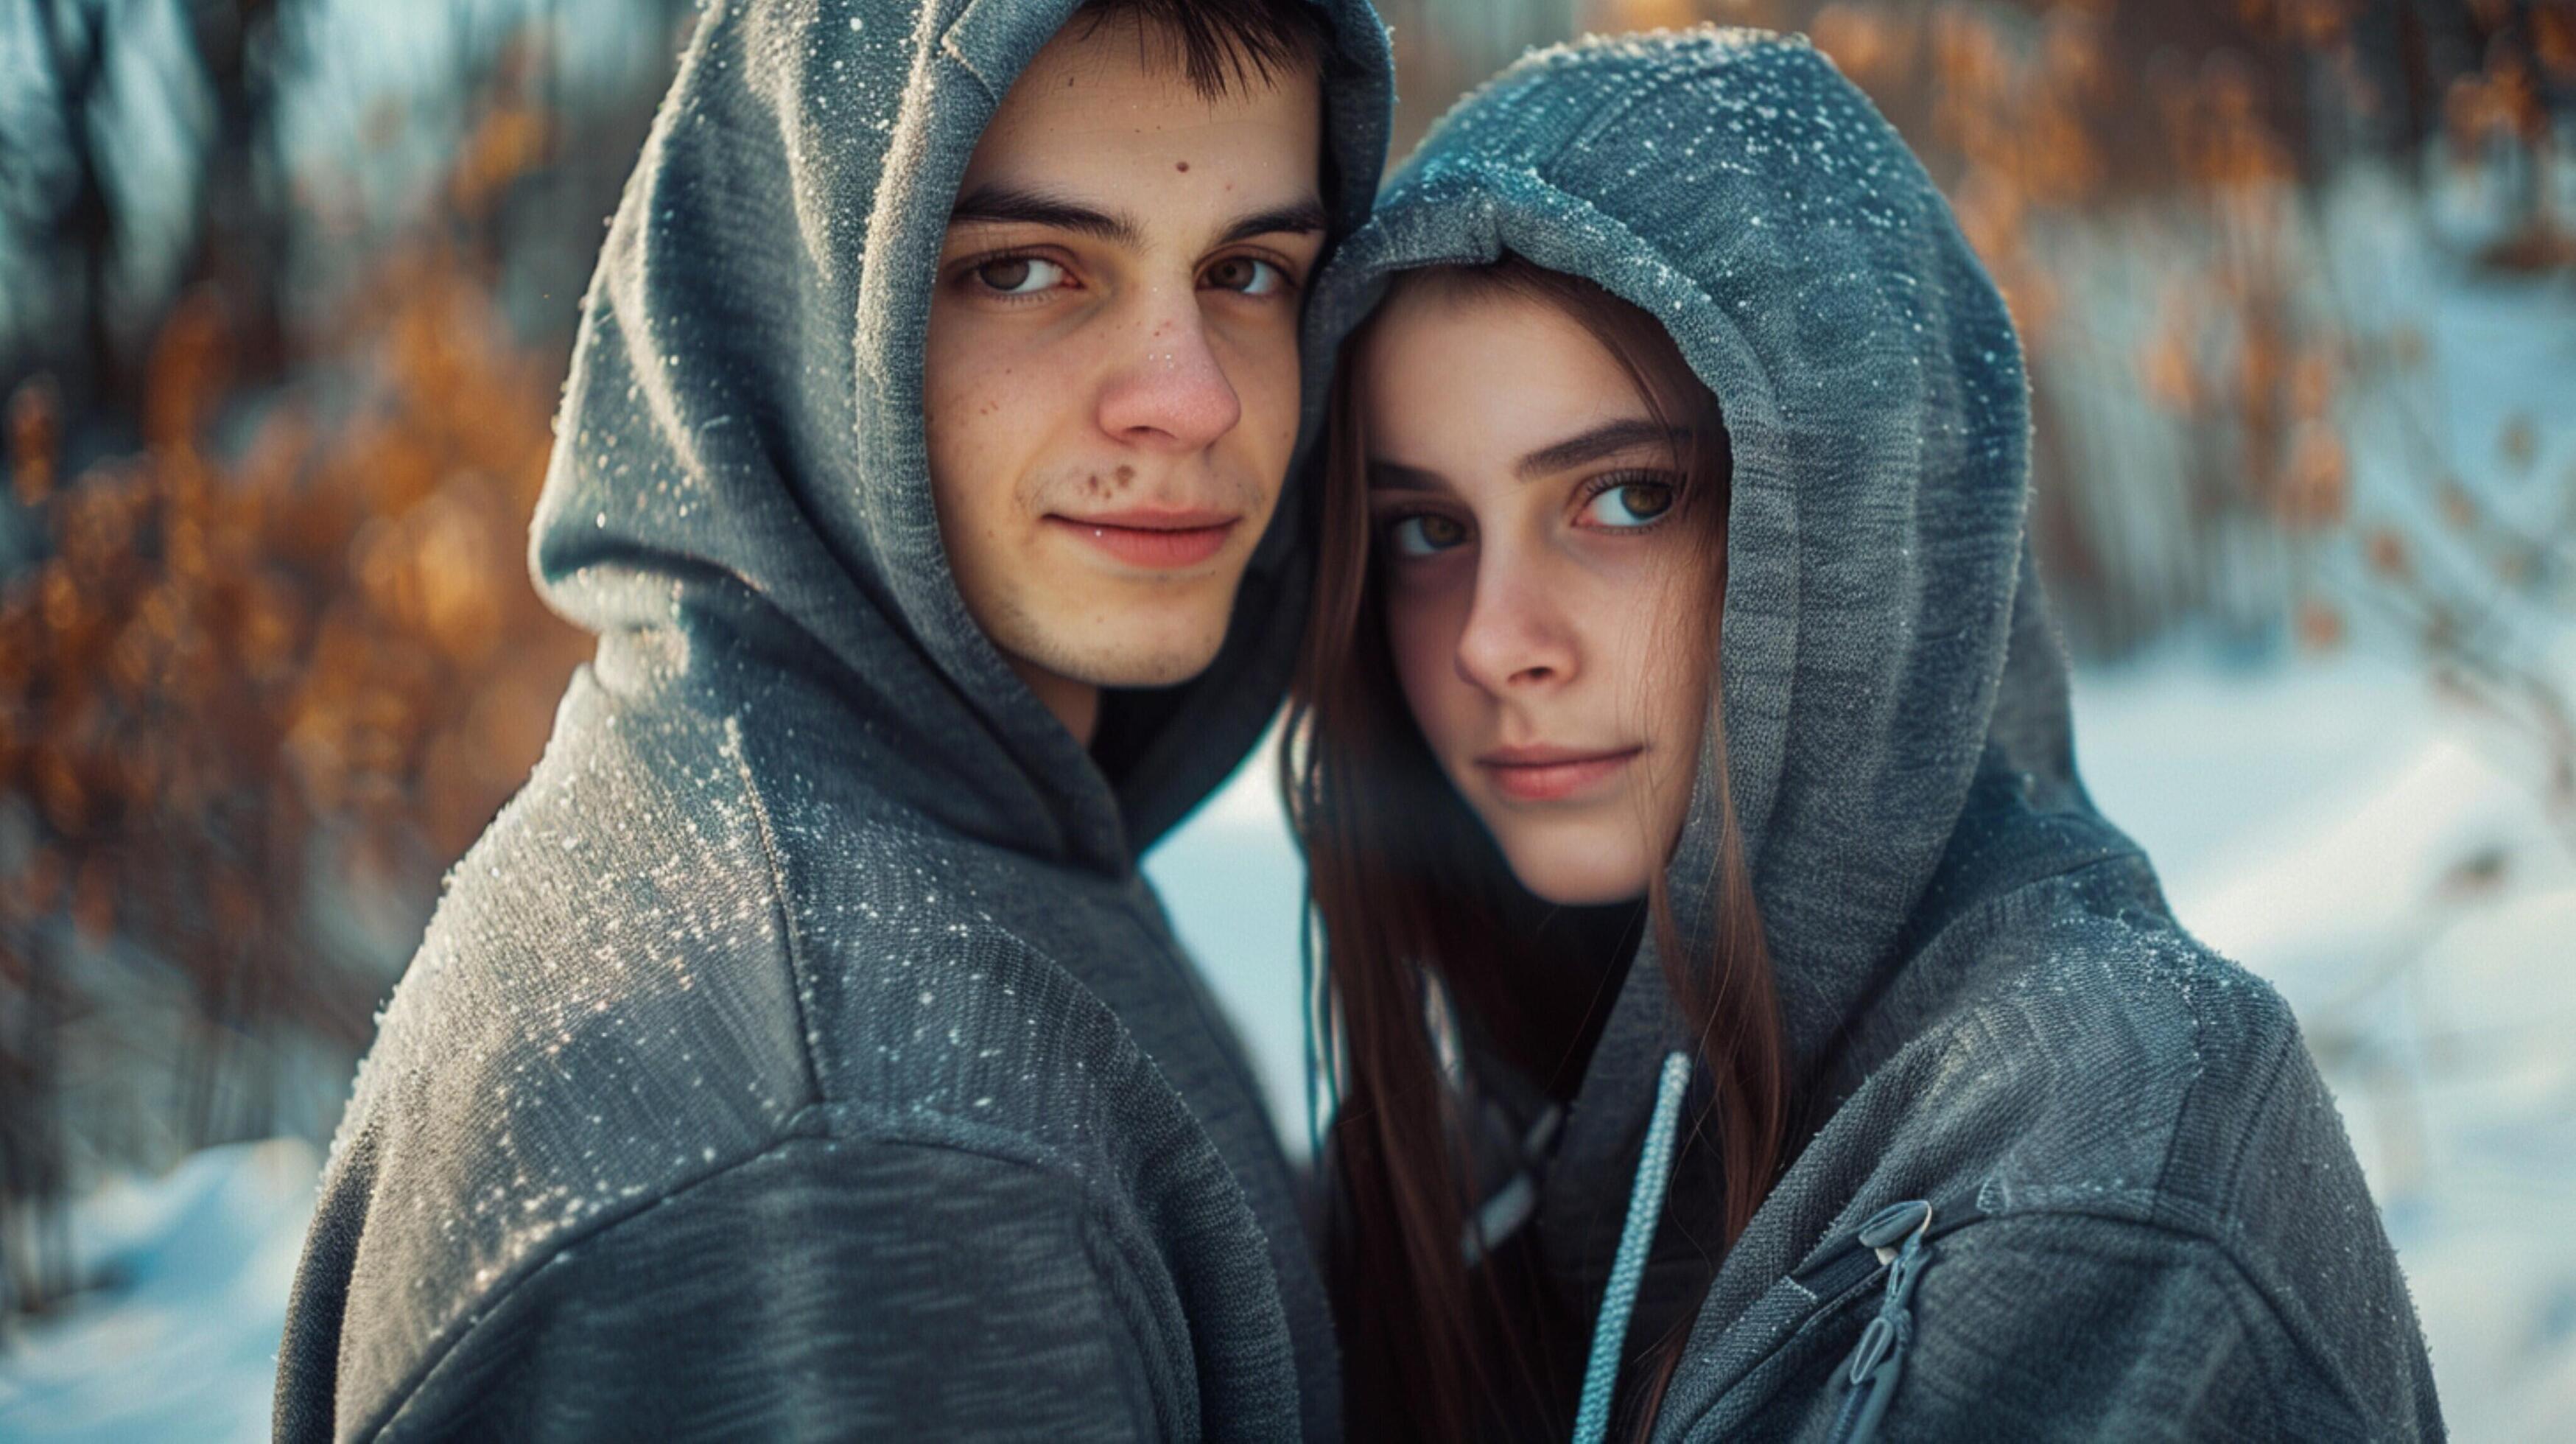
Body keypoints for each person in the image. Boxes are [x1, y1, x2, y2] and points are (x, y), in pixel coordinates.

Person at [1287, 29, 2443, 1442]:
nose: (1489, 638)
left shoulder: (2105, 1140)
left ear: (1857, 524)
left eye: (1626, 499)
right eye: (1424, 528)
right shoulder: (1456, 1148)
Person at [273, 0, 1391, 1437]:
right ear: (801, 305)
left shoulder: (914, 845)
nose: (1192, 398)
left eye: (1248, 269)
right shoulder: (860, 1146)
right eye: (1028, 268)